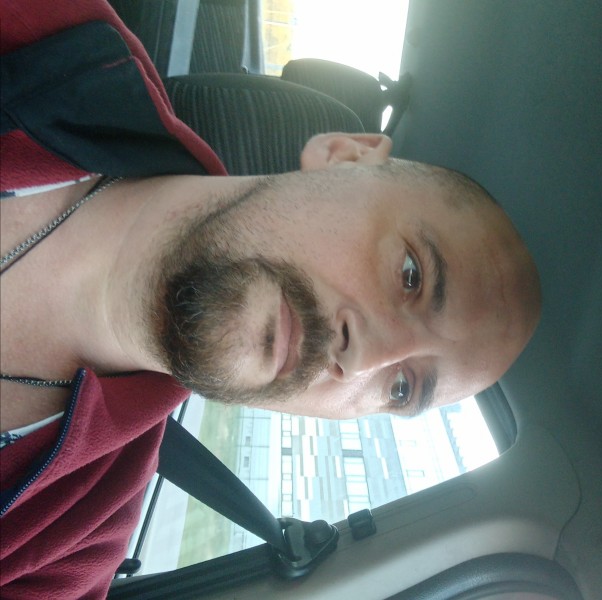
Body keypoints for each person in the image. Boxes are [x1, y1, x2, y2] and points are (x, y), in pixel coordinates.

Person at [0, 0, 541, 598]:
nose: (361, 359)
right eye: (411, 274)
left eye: (401, 389)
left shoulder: (69, 547)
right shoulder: (45, 31)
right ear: (343, 155)